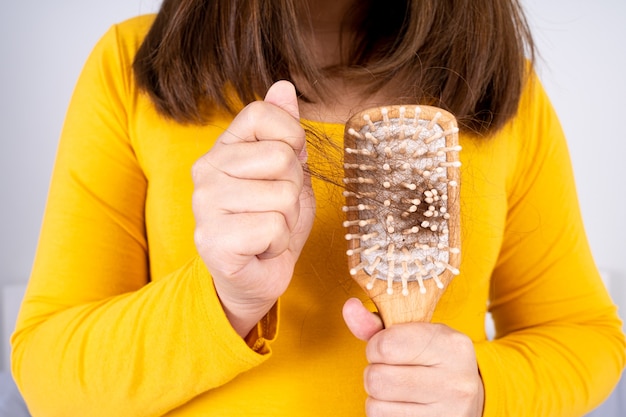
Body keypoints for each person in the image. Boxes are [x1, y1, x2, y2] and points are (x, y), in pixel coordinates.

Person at [10, 1, 626, 416]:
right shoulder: (131, 66)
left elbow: (587, 337)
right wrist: (226, 302)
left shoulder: (500, 86)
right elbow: (46, 375)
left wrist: (484, 390)